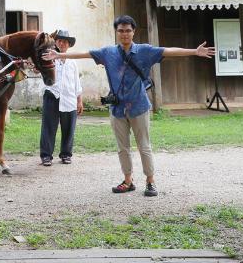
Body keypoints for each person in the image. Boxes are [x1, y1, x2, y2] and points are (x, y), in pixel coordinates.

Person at [45, 14, 214, 197]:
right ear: (116, 33)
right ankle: (128, 180)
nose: (124, 34)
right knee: (122, 147)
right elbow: (85, 54)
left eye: (128, 31)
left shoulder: (144, 51)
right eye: (121, 31)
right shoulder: (108, 53)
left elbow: (167, 50)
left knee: (144, 146)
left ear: (133, 32)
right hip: (117, 109)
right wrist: (59, 54)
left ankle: (150, 181)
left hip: (139, 107)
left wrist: (194, 52)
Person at [39, 29, 83, 166]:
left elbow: (77, 83)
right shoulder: (49, 58)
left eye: (65, 41)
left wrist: (79, 101)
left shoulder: (72, 62)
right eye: (59, 41)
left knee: (69, 128)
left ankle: (66, 154)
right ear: (56, 43)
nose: (62, 43)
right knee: (48, 127)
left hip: (69, 98)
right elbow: (38, 66)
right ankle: (46, 156)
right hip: (52, 95)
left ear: (69, 45)